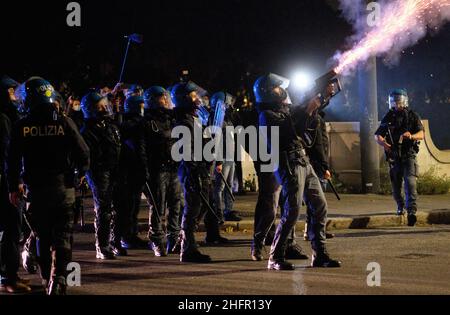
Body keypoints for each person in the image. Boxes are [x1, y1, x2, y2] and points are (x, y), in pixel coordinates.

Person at [7, 77, 90, 294]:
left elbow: (12, 160)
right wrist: (80, 174)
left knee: (43, 235)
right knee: (62, 235)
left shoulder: (21, 126)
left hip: (37, 190)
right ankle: (60, 276)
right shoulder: (63, 122)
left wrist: (13, 187)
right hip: (64, 189)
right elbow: (83, 152)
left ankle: (46, 278)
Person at [255, 73, 341, 270]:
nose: (282, 91)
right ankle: (275, 257)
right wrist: (308, 110)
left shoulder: (286, 110)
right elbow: (289, 131)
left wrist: (319, 102)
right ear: (268, 92)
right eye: (277, 88)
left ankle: (319, 254)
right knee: (292, 211)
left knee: (320, 205)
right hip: (289, 164)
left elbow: (306, 125)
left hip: (303, 161)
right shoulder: (266, 115)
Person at [172, 81, 216, 263]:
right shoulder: (183, 121)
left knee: (203, 205)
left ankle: (184, 240)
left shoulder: (194, 118)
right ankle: (188, 248)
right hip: (192, 170)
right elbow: (186, 150)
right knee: (193, 207)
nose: (197, 99)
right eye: (193, 96)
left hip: (200, 168)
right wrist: (195, 168)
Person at [80, 91, 122, 259]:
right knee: (103, 209)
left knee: (114, 209)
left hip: (113, 170)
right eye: (100, 106)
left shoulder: (109, 126)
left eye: (105, 105)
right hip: (99, 171)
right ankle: (102, 245)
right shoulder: (88, 131)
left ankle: (113, 242)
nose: (105, 108)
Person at [0, 75, 32, 293]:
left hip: (6, 180)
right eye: (10, 92)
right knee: (11, 230)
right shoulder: (3, 118)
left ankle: (8, 275)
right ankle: (9, 278)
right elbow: (7, 153)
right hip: (6, 183)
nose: (14, 97)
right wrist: (16, 183)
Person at [374, 89, 424, 226]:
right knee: (396, 187)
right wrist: (383, 143)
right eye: (394, 101)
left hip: (409, 155)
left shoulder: (413, 115)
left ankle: (412, 212)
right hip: (394, 156)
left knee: (410, 182)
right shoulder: (388, 116)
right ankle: (400, 206)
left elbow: (421, 134)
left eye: (398, 100)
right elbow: (377, 134)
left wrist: (411, 136)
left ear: (404, 101)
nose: (396, 104)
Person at [144, 86, 181, 256]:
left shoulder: (171, 118)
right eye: (161, 98)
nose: (165, 100)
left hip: (173, 167)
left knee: (175, 205)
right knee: (158, 206)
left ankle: (173, 238)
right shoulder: (148, 121)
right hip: (157, 169)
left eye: (166, 97)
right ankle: (156, 239)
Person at [210, 92, 242, 223]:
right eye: (228, 103)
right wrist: (217, 161)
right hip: (222, 158)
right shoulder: (216, 120)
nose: (231, 106)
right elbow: (215, 141)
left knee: (228, 186)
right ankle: (218, 213)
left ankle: (228, 210)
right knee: (220, 187)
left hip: (229, 157)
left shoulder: (227, 119)